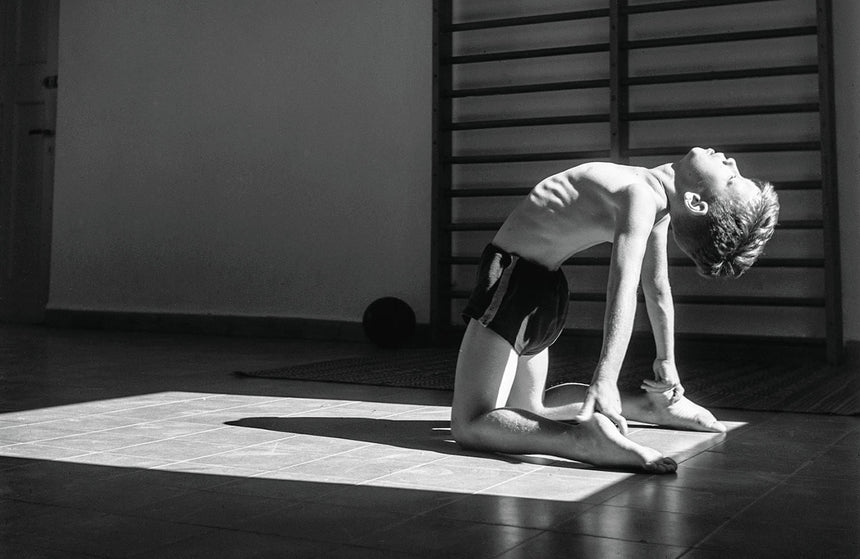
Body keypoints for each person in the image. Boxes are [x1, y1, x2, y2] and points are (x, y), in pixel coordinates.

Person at [450, 147, 780, 473]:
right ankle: (651, 405)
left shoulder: (639, 196)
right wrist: (666, 363)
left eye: (732, 178)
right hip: (543, 292)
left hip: (515, 282)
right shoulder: (656, 202)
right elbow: (657, 288)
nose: (731, 161)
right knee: (528, 409)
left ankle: (579, 441)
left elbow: (624, 286)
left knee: (471, 422)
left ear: (695, 201)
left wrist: (605, 378)